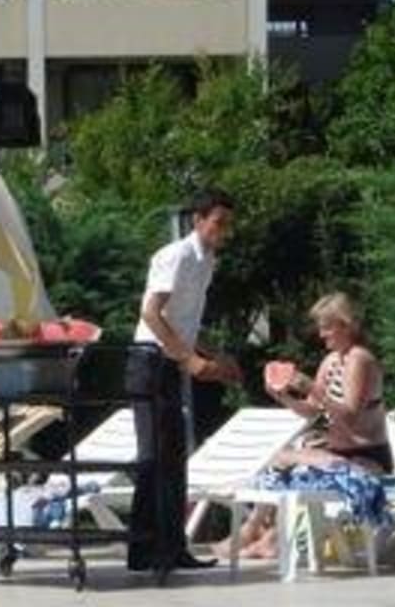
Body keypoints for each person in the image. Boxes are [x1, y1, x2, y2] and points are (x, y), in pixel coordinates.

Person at [213, 292, 392, 559]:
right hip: (335, 455)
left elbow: (351, 415)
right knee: (277, 461)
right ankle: (255, 530)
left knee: (300, 461)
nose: (321, 334)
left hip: (366, 457)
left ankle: (271, 539)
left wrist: (312, 388)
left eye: (326, 326)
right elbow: (312, 412)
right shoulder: (331, 361)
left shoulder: (360, 359)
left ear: (345, 325)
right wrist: (283, 396)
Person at [127, 188, 242, 573]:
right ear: (199, 220)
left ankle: (171, 548)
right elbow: (151, 314)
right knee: (155, 457)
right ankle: (146, 549)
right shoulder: (175, 256)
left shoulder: (207, 261)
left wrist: (210, 354)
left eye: (228, 226)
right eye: (217, 224)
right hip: (149, 363)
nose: (223, 232)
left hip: (170, 362)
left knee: (173, 458)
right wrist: (190, 360)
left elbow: (185, 322)